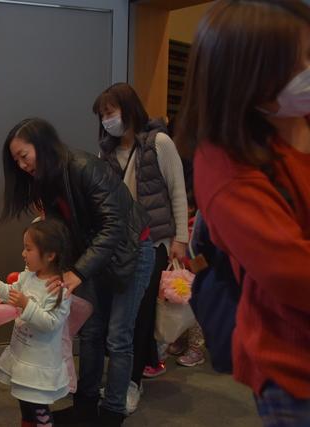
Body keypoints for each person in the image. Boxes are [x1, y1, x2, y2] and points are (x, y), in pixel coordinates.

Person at [175, 1, 310, 424]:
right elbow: (293, 274)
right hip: (295, 365)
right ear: (247, 77)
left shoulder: (296, 118)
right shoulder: (227, 164)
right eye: (297, 63)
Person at [1, 117, 149, 426]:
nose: (22, 165)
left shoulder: (83, 166)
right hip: (94, 256)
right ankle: (85, 406)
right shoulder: (48, 180)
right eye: (16, 160)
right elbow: (65, 232)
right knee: (91, 332)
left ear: (41, 144)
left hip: (131, 250)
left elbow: (114, 225)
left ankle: (112, 412)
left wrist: (77, 272)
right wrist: (58, 269)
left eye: (23, 155)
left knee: (118, 337)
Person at [93, 83, 189, 413]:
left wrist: (180, 240)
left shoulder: (158, 142)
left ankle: (133, 381)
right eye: (102, 115)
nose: (106, 120)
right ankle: (123, 376)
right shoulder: (105, 151)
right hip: (120, 244)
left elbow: (177, 191)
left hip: (155, 241)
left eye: (110, 112)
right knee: (120, 315)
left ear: (128, 108)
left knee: (141, 313)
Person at [0, 219, 72, 427]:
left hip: (39, 365)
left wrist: (26, 304)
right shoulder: (28, 277)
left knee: (39, 408)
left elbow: (51, 322)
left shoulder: (59, 289)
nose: (23, 254)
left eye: (28, 249)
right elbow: (11, 291)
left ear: (50, 255)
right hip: (23, 358)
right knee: (25, 404)